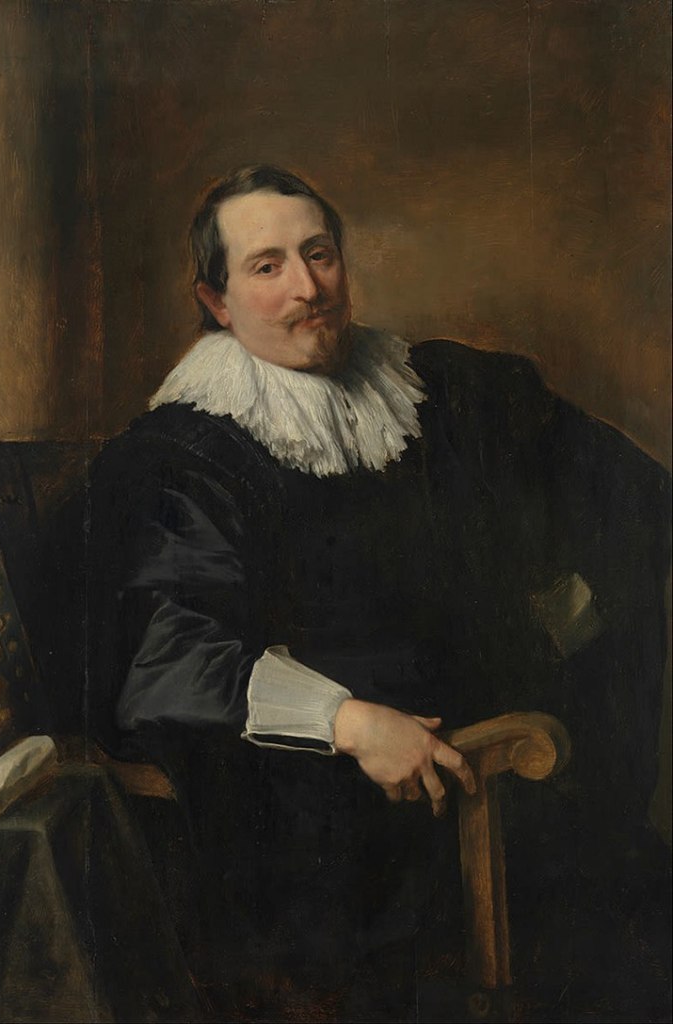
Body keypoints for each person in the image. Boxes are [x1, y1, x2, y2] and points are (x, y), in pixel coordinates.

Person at [86, 166, 670, 1020]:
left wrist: (554, 629)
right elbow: (169, 655)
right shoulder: (182, 455)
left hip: (494, 769)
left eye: (319, 254)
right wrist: (351, 723)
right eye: (267, 266)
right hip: (342, 812)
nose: (307, 287)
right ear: (216, 302)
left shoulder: (445, 391)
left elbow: (634, 498)